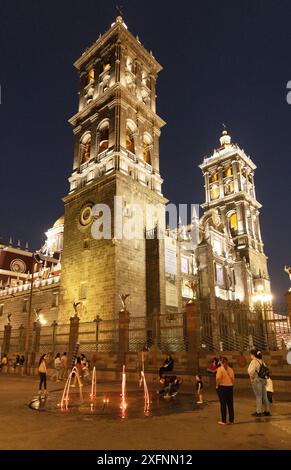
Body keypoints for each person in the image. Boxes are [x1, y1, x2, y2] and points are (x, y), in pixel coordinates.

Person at [248, 349, 270, 417]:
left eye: (251, 354)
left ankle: (258, 412)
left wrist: (252, 378)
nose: (250, 356)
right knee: (264, 396)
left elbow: (250, 371)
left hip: (257, 381)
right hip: (263, 380)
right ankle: (267, 411)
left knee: (258, 396)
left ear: (253, 355)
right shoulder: (262, 361)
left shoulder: (254, 362)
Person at [216, 357, 235, 425]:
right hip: (230, 387)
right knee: (230, 404)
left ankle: (224, 421)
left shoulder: (220, 369)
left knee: (223, 404)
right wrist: (231, 385)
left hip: (222, 388)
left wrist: (217, 385)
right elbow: (233, 379)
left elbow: (218, 378)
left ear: (221, 362)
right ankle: (231, 420)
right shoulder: (230, 369)